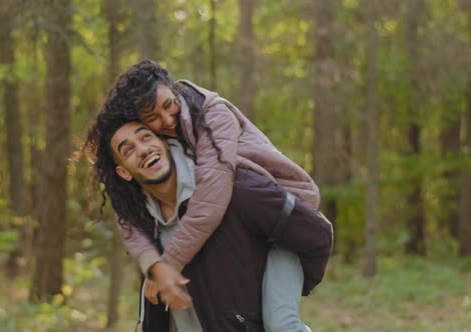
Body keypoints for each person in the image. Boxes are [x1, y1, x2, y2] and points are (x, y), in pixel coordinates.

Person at [101, 60, 326, 331]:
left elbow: (212, 196)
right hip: (249, 226)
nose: (167, 119)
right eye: (153, 118)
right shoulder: (171, 147)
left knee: (281, 325)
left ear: (173, 89)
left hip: (283, 218)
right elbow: (129, 220)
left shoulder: (213, 115)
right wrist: (153, 265)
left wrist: (168, 264)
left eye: (168, 105)